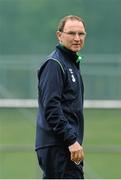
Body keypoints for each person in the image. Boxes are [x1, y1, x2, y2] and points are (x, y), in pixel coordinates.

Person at [35, 15, 86, 179]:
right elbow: (52, 108)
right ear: (59, 35)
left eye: (81, 34)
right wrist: (71, 140)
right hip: (59, 145)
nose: (77, 38)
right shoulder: (54, 64)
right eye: (71, 33)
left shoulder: (70, 63)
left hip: (65, 146)